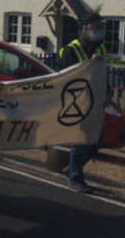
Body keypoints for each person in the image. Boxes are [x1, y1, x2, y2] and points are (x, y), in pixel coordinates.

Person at [59, 12, 107, 194]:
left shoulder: (100, 49)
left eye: (101, 28)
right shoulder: (72, 50)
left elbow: (102, 75)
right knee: (81, 141)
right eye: (97, 28)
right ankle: (75, 178)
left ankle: (71, 169)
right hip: (78, 102)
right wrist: (88, 64)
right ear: (86, 29)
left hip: (96, 100)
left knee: (96, 141)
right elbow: (64, 77)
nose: (100, 31)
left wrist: (107, 94)